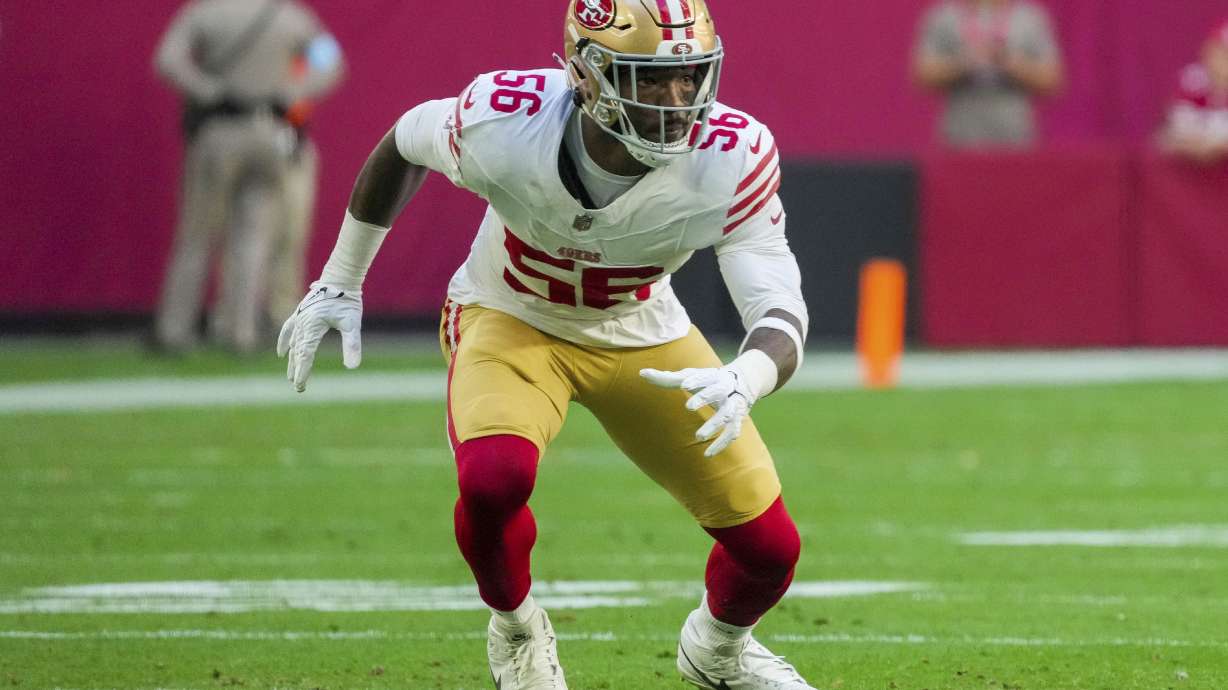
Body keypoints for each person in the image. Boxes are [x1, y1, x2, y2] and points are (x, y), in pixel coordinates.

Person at [277, 2, 814, 687]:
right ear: (587, 74)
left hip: (640, 330)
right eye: (651, 78)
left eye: (690, 76)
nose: (679, 100)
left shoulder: (733, 155)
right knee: (493, 477)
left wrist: (750, 374)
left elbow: (778, 305)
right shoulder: (507, 121)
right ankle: (517, 628)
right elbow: (406, 140)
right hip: (511, 314)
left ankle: (717, 650)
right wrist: (341, 279)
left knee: (770, 549)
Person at [152, 0, 344, 353]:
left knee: (197, 235)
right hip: (271, 133)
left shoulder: (207, 12)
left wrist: (206, 89)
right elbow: (332, 62)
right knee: (253, 237)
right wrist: (293, 92)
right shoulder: (290, 16)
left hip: (219, 130)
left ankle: (175, 329)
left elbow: (168, 59)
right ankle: (240, 330)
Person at [912, 0, 1064, 148]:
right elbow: (923, 74)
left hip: (1015, 138)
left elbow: (1051, 79)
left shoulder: (1030, 17)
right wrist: (964, 62)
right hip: (959, 137)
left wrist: (1008, 62)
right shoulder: (944, 16)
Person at [1159, 20, 1228, 165]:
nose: (1220, 61)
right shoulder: (1191, 83)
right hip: (1187, 169)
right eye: (1218, 52)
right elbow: (1165, 137)